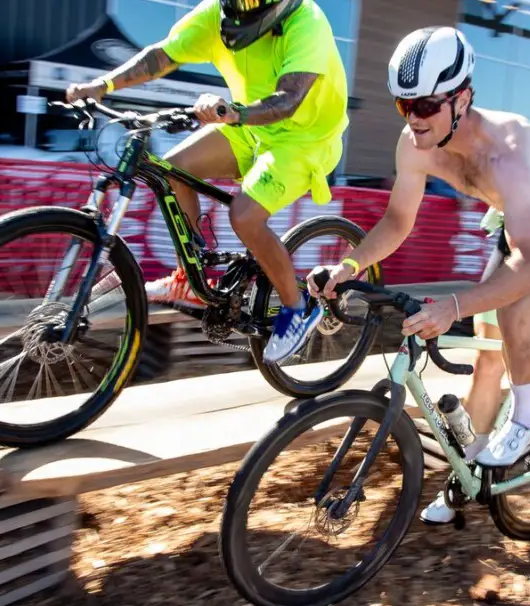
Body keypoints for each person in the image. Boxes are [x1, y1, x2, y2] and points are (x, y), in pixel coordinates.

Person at [305, 26, 530, 526]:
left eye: (425, 106)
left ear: (462, 97)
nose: (413, 119)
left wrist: (455, 306)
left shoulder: (506, 151)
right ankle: (468, 478)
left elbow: (529, 262)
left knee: (512, 310)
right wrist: (348, 265)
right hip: (519, 219)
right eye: (404, 106)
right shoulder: (415, 144)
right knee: (488, 353)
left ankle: (527, 423)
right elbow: (399, 221)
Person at [64, 0, 349, 364]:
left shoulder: (305, 20)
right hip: (247, 125)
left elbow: (289, 100)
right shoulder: (215, 14)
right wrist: (102, 84)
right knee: (172, 171)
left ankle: (297, 309)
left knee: (244, 216)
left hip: (304, 137)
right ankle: (192, 280)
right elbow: (161, 56)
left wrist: (235, 113)